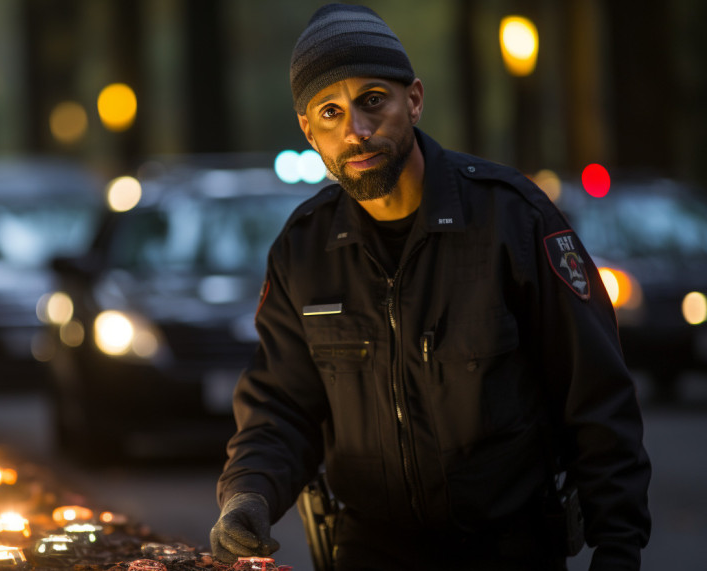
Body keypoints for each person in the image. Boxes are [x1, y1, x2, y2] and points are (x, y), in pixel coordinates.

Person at [210, 4, 651, 570]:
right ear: (308, 130)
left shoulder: (513, 220)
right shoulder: (302, 250)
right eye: (330, 111)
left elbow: (597, 394)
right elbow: (282, 407)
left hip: (510, 551)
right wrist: (247, 496)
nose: (357, 130)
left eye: (373, 101)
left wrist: (619, 548)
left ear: (413, 100)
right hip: (368, 553)